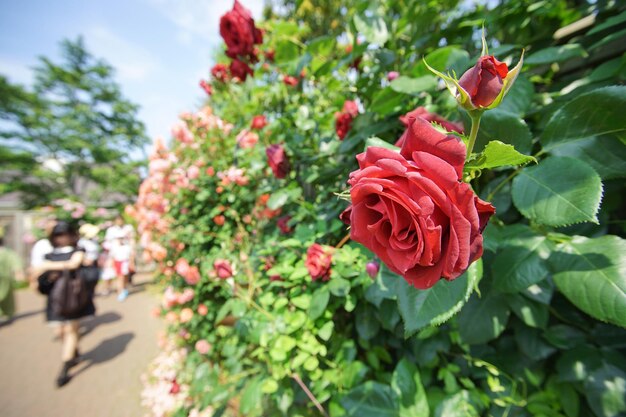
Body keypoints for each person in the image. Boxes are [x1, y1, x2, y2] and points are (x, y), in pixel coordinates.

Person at [31, 222, 96, 387]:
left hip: (73, 296)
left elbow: (74, 263)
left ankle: (65, 369)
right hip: (56, 299)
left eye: (65, 234)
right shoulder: (50, 254)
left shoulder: (77, 251)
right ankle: (73, 351)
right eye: (58, 235)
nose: (62, 238)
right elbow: (36, 272)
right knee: (60, 331)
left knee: (71, 330)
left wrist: (47, 266)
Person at [0, 233, 24, 325]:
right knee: (7, 298)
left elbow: (16, 264)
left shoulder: (7, 253)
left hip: (4, 280)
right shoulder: (8, 252)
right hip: (5, 280)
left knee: (6, 298)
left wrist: (19, 273)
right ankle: (7, 313)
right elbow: (16, 264)